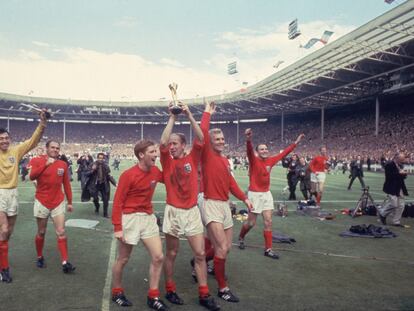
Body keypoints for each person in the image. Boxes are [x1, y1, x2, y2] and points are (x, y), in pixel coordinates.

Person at [159, 102, 219, 310]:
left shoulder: (193, 158)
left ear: (184, 145)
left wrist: (189, 114)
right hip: (173, 212)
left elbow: (202, 138)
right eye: (171, 144)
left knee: (200, 254)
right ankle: (170, 288)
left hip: (192, 211)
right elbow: (162, 142)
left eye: (176, 143)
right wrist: (173, 117)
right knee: (172, 253)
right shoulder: (167, 160)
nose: (172, 146)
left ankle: (204, 294)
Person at [199, 101, 252, 303]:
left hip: (224, 205)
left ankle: (201, 261)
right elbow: (203, 132)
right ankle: (223, 288)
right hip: (211, 204)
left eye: (222, 138)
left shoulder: (223, 159)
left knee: (226, 247)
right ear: (210, 142)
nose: (221, 141)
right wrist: (207, 113)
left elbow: (231, 182)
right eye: (217, 139)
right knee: (221, 247)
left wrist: (245, 198)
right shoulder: (207, 154)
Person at [111, 140, 169, 311]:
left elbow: (171, 178)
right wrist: (117, 227)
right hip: (130, 218)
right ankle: (117, 291)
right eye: (152, 152)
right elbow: (117, 202)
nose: (156, 154)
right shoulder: (128, 175)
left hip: (148, 217)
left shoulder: (156, 171)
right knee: (123, 259)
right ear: (141, 155)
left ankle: (153, 296)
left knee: (158, 256)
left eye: (156, 151)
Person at [238, 129, 304, 259]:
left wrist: (296, 142)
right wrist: (248, 139)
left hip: (266, 194)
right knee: (251, 223)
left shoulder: (271, 160)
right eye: (261, 149)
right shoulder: (253, 159)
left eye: (266, 149)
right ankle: (241, 237)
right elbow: (249, 150)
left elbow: (285, 152)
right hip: (254, 195)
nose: (264, 151)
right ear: (257, 152)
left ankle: (268, 249)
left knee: (268, 222)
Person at [0, 110, 47, 283]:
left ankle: (1, 258)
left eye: (6, 138)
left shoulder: (15, 151)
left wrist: (42, 123)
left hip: (13, 193)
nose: (4, 140)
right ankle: (4, 269)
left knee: (7, 233)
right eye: (1, 138)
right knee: (4, 230)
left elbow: (33, 141)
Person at [29, 140, 75, 273]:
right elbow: (32, 176)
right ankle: (39, 256)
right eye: (53, 147)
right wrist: (45, 164)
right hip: (41, 201)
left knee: (61, 231)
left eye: (57, 148)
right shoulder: (38, 161)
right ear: (47, 148)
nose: (55, 150)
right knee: (41, 232)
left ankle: (65, 262)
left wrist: (70, 202)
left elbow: (66, 184)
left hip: (58, 201)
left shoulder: (63, 164)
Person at [377, 152, 408, 227]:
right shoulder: (389, 165)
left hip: (399, 187)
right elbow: (389, 176)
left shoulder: (400, 165)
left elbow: (401, 177)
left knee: (401, 205)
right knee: (394, 204)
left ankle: (396, 221)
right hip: (391, 187)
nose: (403, 160)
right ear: (396, 158)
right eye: (401, 159)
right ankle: (382, 214)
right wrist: (400, 174)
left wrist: (404, 174)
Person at [83, 153, 116, 218]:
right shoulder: (92, 164)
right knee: (95, 198)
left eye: (102, 158)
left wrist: (114, 183)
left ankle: (105, 213)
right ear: (97, 158)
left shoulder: (106, 166)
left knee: (106, 199)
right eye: (99, 158)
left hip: (104, 184)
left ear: (103, 159)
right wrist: (93, 170)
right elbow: (86, 174)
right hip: (95, 185)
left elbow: (109, 175)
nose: (100, 159)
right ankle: (97, 206)